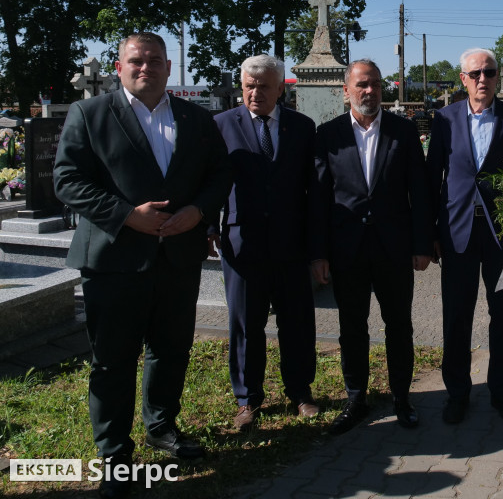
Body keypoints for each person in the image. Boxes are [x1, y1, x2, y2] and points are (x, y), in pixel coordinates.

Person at [53, 32, 232, 498]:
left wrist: (198, 211)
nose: (145, 67)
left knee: (171, 349)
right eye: (136, 60)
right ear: (119, 67)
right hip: (114, 260)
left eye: (155, 60)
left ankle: (161, 425)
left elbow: (219, 174)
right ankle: (114, 453)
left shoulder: (196, 118)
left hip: (177, 257)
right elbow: (67, 180)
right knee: (112, 360)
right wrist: (127, 216)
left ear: (170, 68)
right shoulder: (90, 114)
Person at [311, 60, 433, 433]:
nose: (370, 91)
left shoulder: (403, 131)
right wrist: (318, 252)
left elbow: (420, 190)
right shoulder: (328, 134)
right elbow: (317, 197)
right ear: (345, 90)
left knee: (399, 325)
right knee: (352, 327)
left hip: (394, 249)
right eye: (362, 85)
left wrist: (421, 243)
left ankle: (401, 397)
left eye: (376, 85)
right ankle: (356, 397)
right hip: (346, 250)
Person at [426, 48, 503, 425]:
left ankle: (501, 391)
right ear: (463, 79)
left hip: (501, 234)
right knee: (457, 315)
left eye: (489, 72)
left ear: (497, 76)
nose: (483, 80)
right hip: (456, 232)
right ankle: (457, 393)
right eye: (475, 74)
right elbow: (431, 180)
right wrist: (429, 235)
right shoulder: (443, 119)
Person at [211, 55, 319, 433]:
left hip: (292, 243)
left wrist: (316, 242)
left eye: (263, 87)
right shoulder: (221, 125)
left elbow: (315, 188)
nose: (255, 93)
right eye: (249, 86)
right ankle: (247, 399)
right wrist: (209, 226)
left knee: (298, 321)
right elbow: (209, 181)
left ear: (280, 89)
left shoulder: (303, 128)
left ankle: (300, 391)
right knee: (245, 323)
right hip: (243, 245)